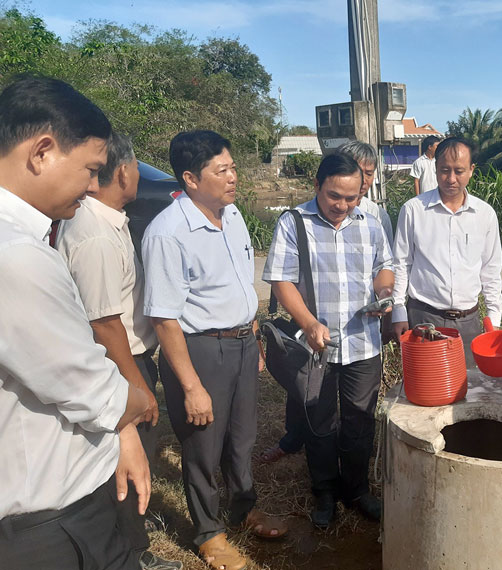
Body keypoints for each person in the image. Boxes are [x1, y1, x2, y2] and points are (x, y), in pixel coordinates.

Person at [0, 77, 151, 570]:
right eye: (89, 169)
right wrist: (137, 399)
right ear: (42, 151)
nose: (92, 186)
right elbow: (94, 390)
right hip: (52, 526)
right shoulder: (18, 257)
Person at [142, 130, 285, 570]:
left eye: (233, 167)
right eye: (220, 170)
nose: (232, 177)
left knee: (241, 437)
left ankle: (243, 508)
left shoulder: (234, 215)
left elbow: (242, 285)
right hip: (200, 350)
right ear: (190, 178)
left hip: (241, 342)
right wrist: (190, 386)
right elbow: (164, 319)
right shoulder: (168, 233)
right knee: (203, 445)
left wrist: (254, 336)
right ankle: (208, 531)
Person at [55, 131, 183, 570]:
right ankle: (132, 552)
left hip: (125, 360)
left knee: (133, 455)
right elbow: (104, 323)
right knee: (127, 461)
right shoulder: (96, 236)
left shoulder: (109, 221)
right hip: (120, 363)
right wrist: (135, 387)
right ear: (124, 171)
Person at [263, 153, 394, 528]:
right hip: (316, 346)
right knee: (319, 421)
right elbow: (281, 279)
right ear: (317, 186)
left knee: (359, 420)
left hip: (363, 344)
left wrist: (383, 295)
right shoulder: (294, 223)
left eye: (351, 197)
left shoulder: (370, 222)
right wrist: (307, 321)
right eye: (334, 195)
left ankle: (357, 489)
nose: (342, 205)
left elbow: (384, 267)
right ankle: (324, 490)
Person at [392, 136, 502, 368]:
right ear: (435, 168)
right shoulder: (413, 210)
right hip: (424, 319)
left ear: (472, 170)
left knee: (469, 389)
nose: (451, 179)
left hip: (469, 322)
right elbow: (402, 264)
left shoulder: (485, 214)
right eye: (444, 170)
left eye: (459, 171)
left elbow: (491, 270)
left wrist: (493, 318)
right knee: (426, 389)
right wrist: (399, 311)